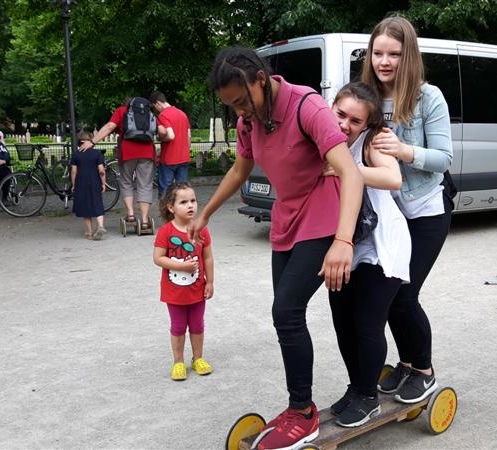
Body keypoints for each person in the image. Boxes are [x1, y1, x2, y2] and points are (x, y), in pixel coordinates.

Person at [191, 46, 363, 450]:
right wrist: (206, 213)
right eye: (231, 106)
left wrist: (343, 240)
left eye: (242, 101)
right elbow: (241, 169)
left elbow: (351, 173)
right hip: (287, 219)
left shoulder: (307, 106)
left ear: (260, 80)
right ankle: (297, 406)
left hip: (323, 215)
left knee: (285, 311)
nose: (239, 112)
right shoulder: (249, 122)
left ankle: (302, 412)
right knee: (286, 316)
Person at [361, 16, 454, 405]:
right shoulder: (365, 96)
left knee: (404, 293)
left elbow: (444, 158)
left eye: (394, 54)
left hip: (426, 210)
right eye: (378, 53)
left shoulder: (428, 97)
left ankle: (424, 371)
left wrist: (404, 151)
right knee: (386, 296)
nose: (384, 61)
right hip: (388, 214)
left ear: (408, 55)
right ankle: (406, 362)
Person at [323, 82, 411, 427]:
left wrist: (346, 168)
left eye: (355, 121)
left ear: (367, 125)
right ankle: (357, 387)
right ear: (331, 107)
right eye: (341, 114)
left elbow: (393, 178)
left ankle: (368, 397)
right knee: (342, 321)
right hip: (342, 245)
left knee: (366, 323)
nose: (345, 125)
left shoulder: (371, 141)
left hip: (381, 246)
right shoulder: (321, 137)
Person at [153, 182, 214, 381]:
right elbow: (158, 258)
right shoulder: (166, 232)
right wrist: (181, 266)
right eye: (184, 202)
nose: (190, 205)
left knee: (197, 325)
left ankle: (198, 358)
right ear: (171, 207)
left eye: (193, 201)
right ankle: (178, 362)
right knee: (178, 326)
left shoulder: (202, 230)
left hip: (197, 289)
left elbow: (207, 258)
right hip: (174, 292)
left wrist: (210, 282)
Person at [79, 97, 157, 234]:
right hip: (147, 152)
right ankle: (145, 221)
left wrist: (92, 142)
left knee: (126, 182)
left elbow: (110, 127)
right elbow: (161, 131)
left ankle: (131, 214)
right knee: (145, 185)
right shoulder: (148, 113)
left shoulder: (121, 111)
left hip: (127, 152)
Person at [149, 91, 192, 197]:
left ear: (158, 103)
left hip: (169, 158)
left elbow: (171, 136)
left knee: (165, 189)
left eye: (154, 106)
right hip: (183, 157)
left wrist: (160, 138)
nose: (156, 109)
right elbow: (189, 136)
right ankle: (182, 207)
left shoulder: (163, 115)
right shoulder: (182, 114)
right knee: (182, 189)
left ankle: (165, 208)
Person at [71, 131, 107, 240]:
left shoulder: (76, 154)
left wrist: (73, 185)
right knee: (98, 203)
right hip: (95, 182)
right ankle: (100, 226)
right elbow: (101, 170)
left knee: (85, 207)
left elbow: (74, 171)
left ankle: (89, 232)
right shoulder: (97, 154)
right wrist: (103, 183)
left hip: (81, 183)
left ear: (79, 142)